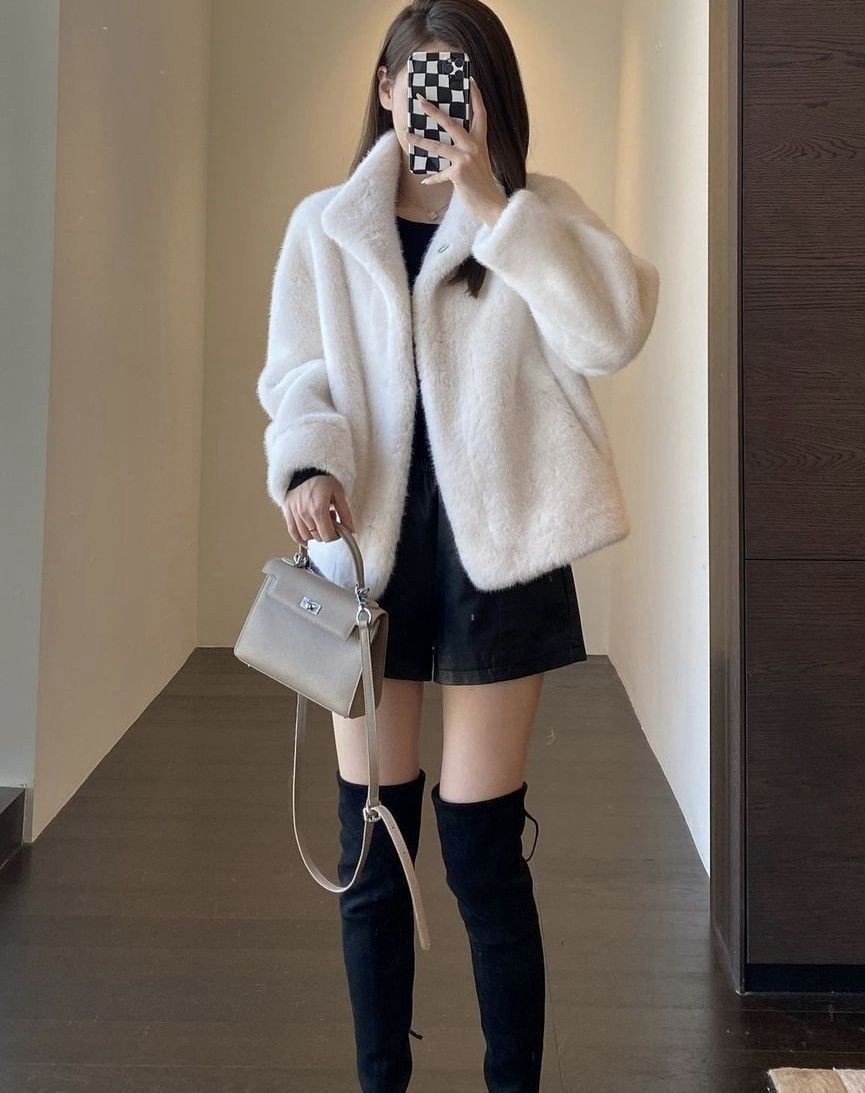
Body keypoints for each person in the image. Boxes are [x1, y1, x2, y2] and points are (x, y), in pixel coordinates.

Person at [256, 2, 659, 1089]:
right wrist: (308, 465)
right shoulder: (325, 227)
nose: (436, 100)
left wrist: (494, 207)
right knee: (373, 851)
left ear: (491, 95)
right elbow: (298, 374)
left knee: (482, 854)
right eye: (420, 78)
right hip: (368, 560)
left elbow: (612, 333)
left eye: (462, 79)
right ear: (385, 88)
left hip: (501, 560)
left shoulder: (535, 214)